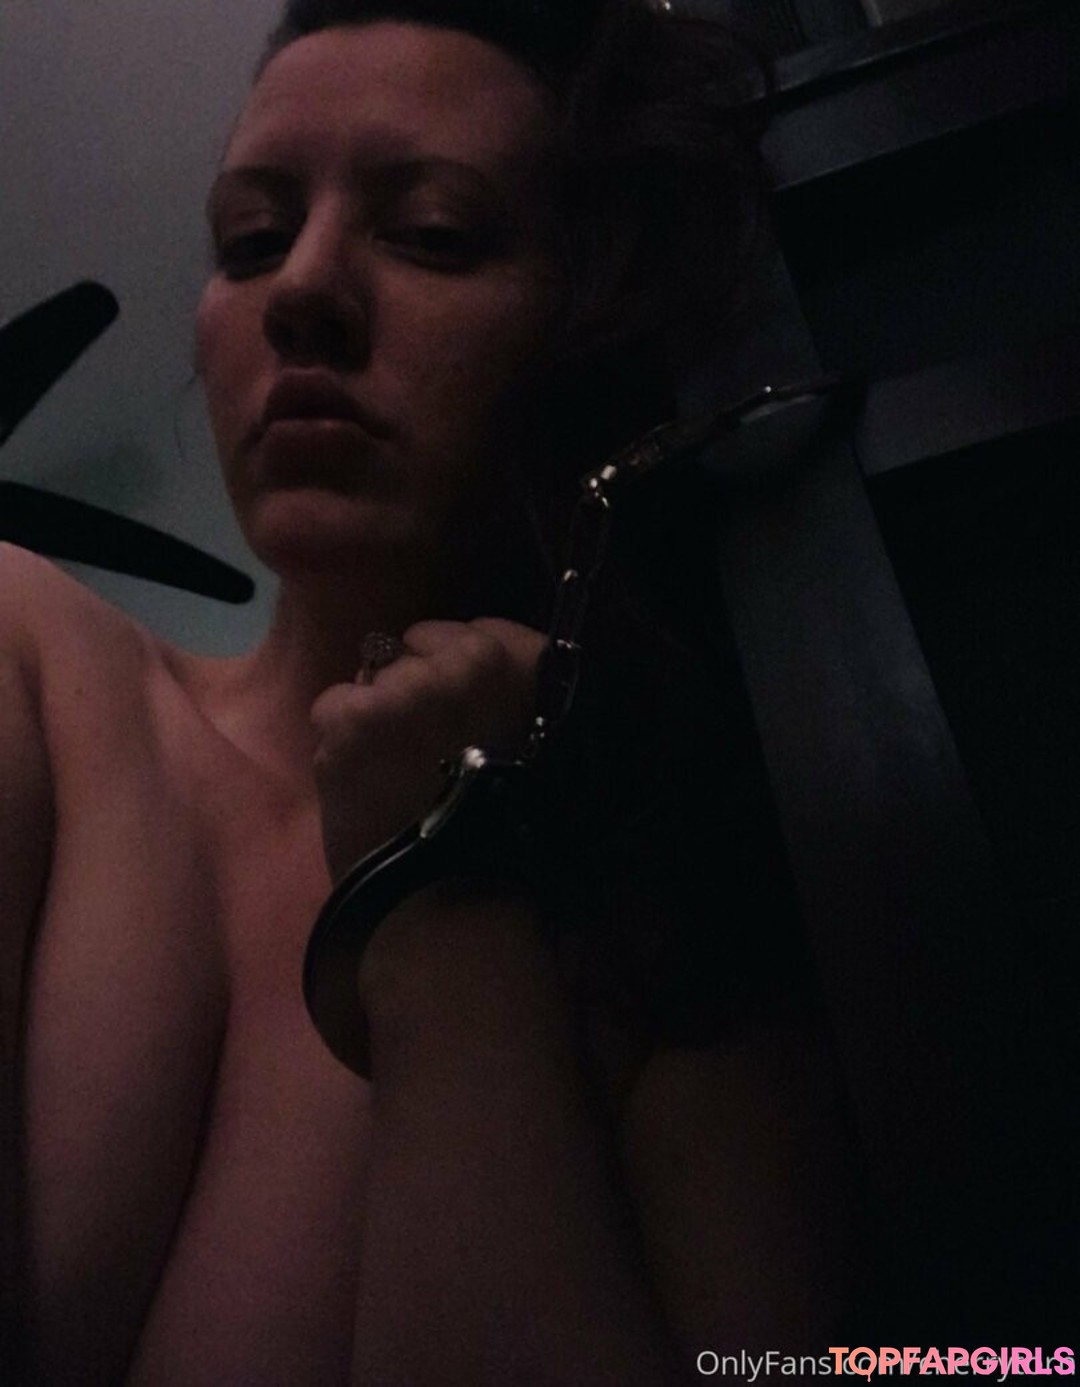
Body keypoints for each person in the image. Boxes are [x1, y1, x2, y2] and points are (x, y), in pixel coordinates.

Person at [0, 2, 862, 1382]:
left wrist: (441, 911)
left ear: (591, 327)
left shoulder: (671, 924)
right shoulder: (27, 654)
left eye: (436, 233)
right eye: (250, 240)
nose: (301, 290)